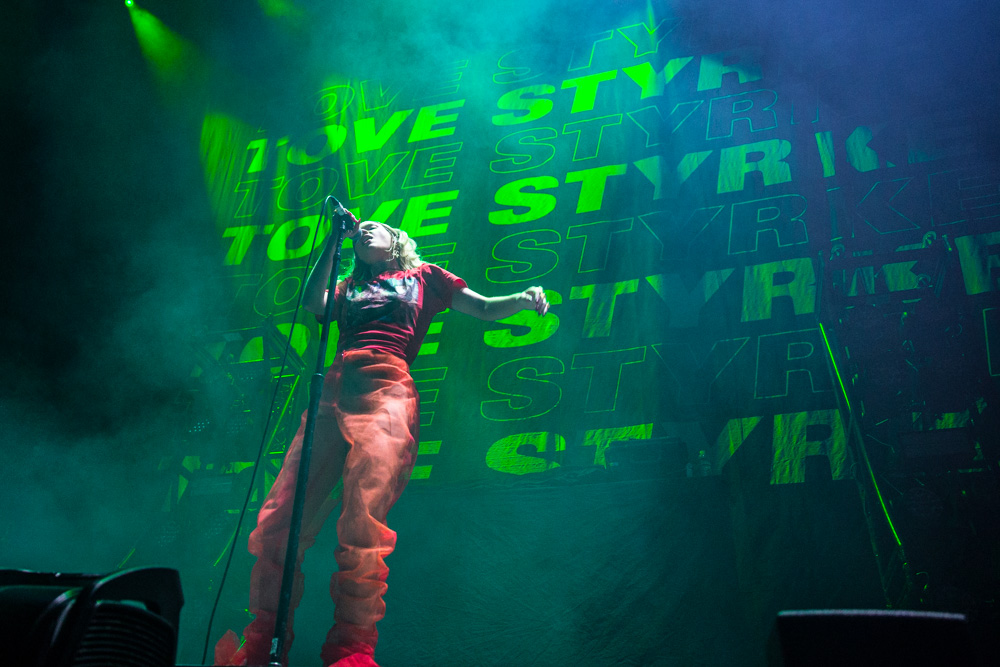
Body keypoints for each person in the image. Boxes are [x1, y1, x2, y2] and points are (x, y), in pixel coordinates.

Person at [215, 208, 549, 667]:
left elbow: (485, 308)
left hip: (387, 387)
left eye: (376, 227)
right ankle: (262, 645)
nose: (365, 230)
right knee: (281, 518)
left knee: (363, 518)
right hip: (335, 388)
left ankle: (350, 649)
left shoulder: (425, 276)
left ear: (397, 239)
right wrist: (334, 240)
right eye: (360, 230)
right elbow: (312, 302)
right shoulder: (348, 286)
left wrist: (523, 298)